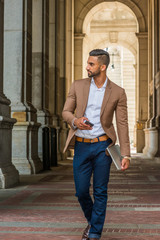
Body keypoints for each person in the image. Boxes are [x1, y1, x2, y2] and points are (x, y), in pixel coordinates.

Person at [62, 49, 131, 240]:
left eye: (91, 64)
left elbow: (122, 123)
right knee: (81, 191)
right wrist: (75, 121)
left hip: (103, 147)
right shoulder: (78, 85)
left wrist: (126, 154)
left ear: (103, 67)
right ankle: (93, 221)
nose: (87, 67)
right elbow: (65, 112)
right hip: (82, 146)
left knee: (100, 191)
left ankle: (94, 233)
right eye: (87, 63)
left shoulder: (118, 92)